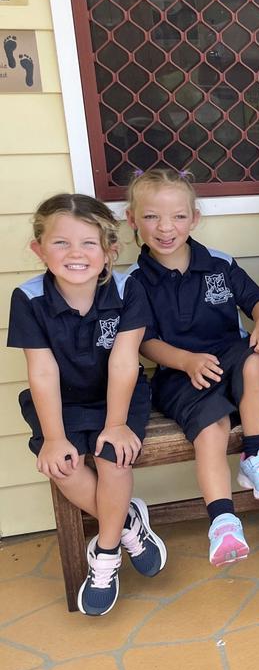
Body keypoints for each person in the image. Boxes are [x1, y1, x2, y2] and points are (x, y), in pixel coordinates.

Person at [9, 194, 166, 615]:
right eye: (61, 243)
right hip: (59, 401)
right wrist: (55, 437)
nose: (76, 254)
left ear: (110, 250)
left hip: (118, 395)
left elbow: (124, 360)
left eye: (88, 244)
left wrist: (116, 424)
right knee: (63, 464)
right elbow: (42, 372)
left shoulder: (126, 288)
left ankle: (108, 552)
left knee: (114, 455)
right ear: (38, 249)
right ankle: (129, 522)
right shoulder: (27, 298)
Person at [125, 170, 259, 567]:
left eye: (178, 217)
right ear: (132, 219)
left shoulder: (218, 263)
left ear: (194, 219)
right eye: (151, 217)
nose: (165, 228)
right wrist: (185, 361)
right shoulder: (133, 282)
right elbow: (144, 341)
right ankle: (223, 521)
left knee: (253, 358)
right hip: (179, 377)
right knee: (211, 429)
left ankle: (257, 455)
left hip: (231, 362)